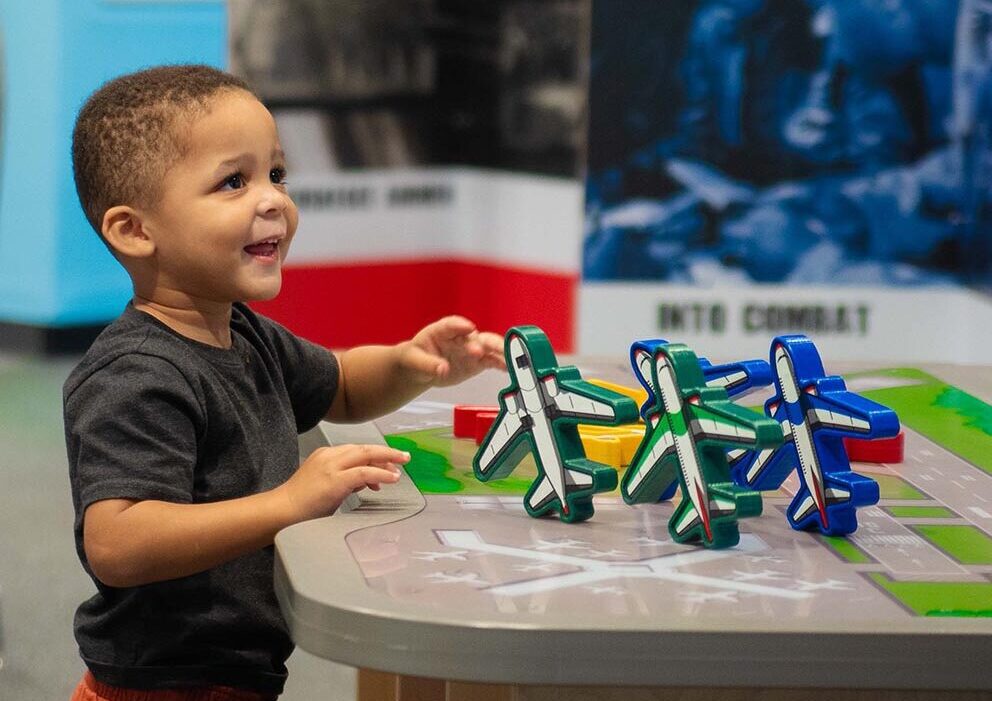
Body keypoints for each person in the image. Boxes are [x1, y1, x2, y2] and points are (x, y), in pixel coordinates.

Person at [63, 65, 504, 701]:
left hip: (235, 678)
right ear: (135, 231)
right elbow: (118, 541)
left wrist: (411, 363)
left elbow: (344, 386)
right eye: (232, 182)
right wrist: (288, 504)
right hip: (161, 686)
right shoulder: (135, 375)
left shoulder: (246, 334)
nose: (273, 199)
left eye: (277, 174)